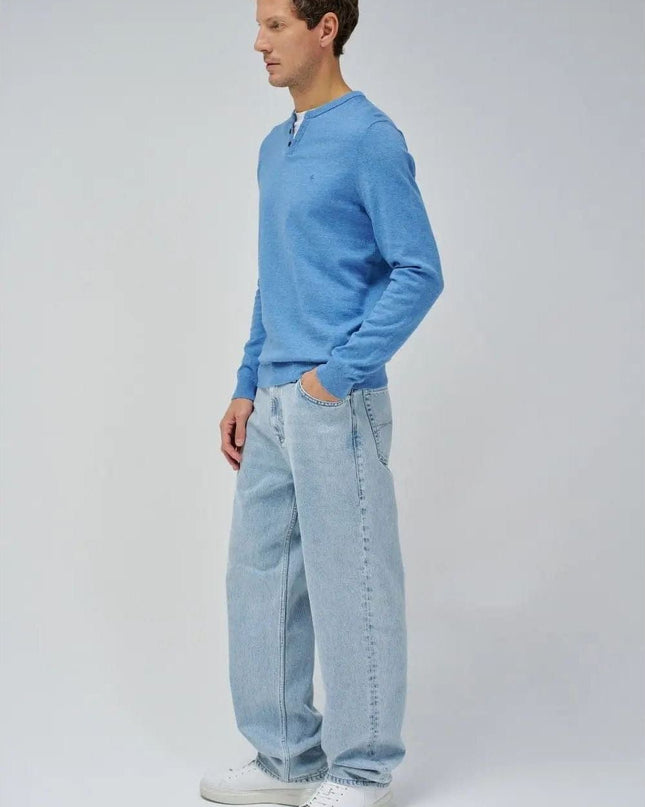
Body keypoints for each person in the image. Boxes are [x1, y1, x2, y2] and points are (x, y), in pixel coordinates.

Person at [200, 1, 444, 805]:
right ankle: (286, 761)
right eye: (259, 25)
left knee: (353, 581)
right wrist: (246, 382)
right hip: (272, 399)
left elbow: (418, 270)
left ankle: (360, 769)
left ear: (326, 27)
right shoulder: (276, 146)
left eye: (275, 24)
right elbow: (276, 277)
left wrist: (335, 376)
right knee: (259, 581)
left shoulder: (370, 138)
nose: (258, 42)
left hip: (333, 402)